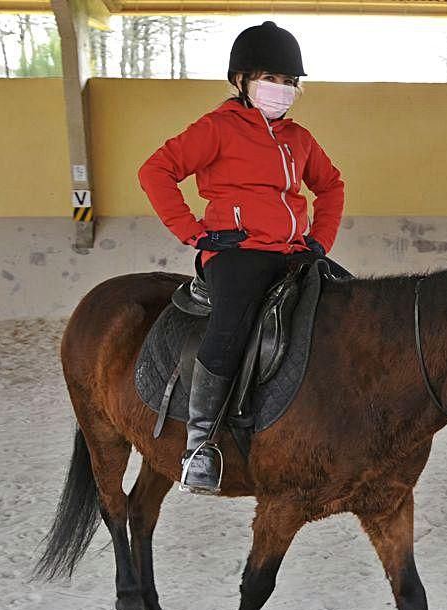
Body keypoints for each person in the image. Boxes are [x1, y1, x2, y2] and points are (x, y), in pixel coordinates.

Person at [138, 21, 345, 494]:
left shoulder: (299, 138)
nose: (283, 89)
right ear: (241, 81)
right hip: (237, 251)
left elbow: (331, 184)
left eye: (290, 82)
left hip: (293, 251)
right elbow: (156, 171)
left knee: (346, 303)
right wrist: (194, 232)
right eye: (272, 78)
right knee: (232, 322)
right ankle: (200, 444)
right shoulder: (217, 129)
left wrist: (321, 240)